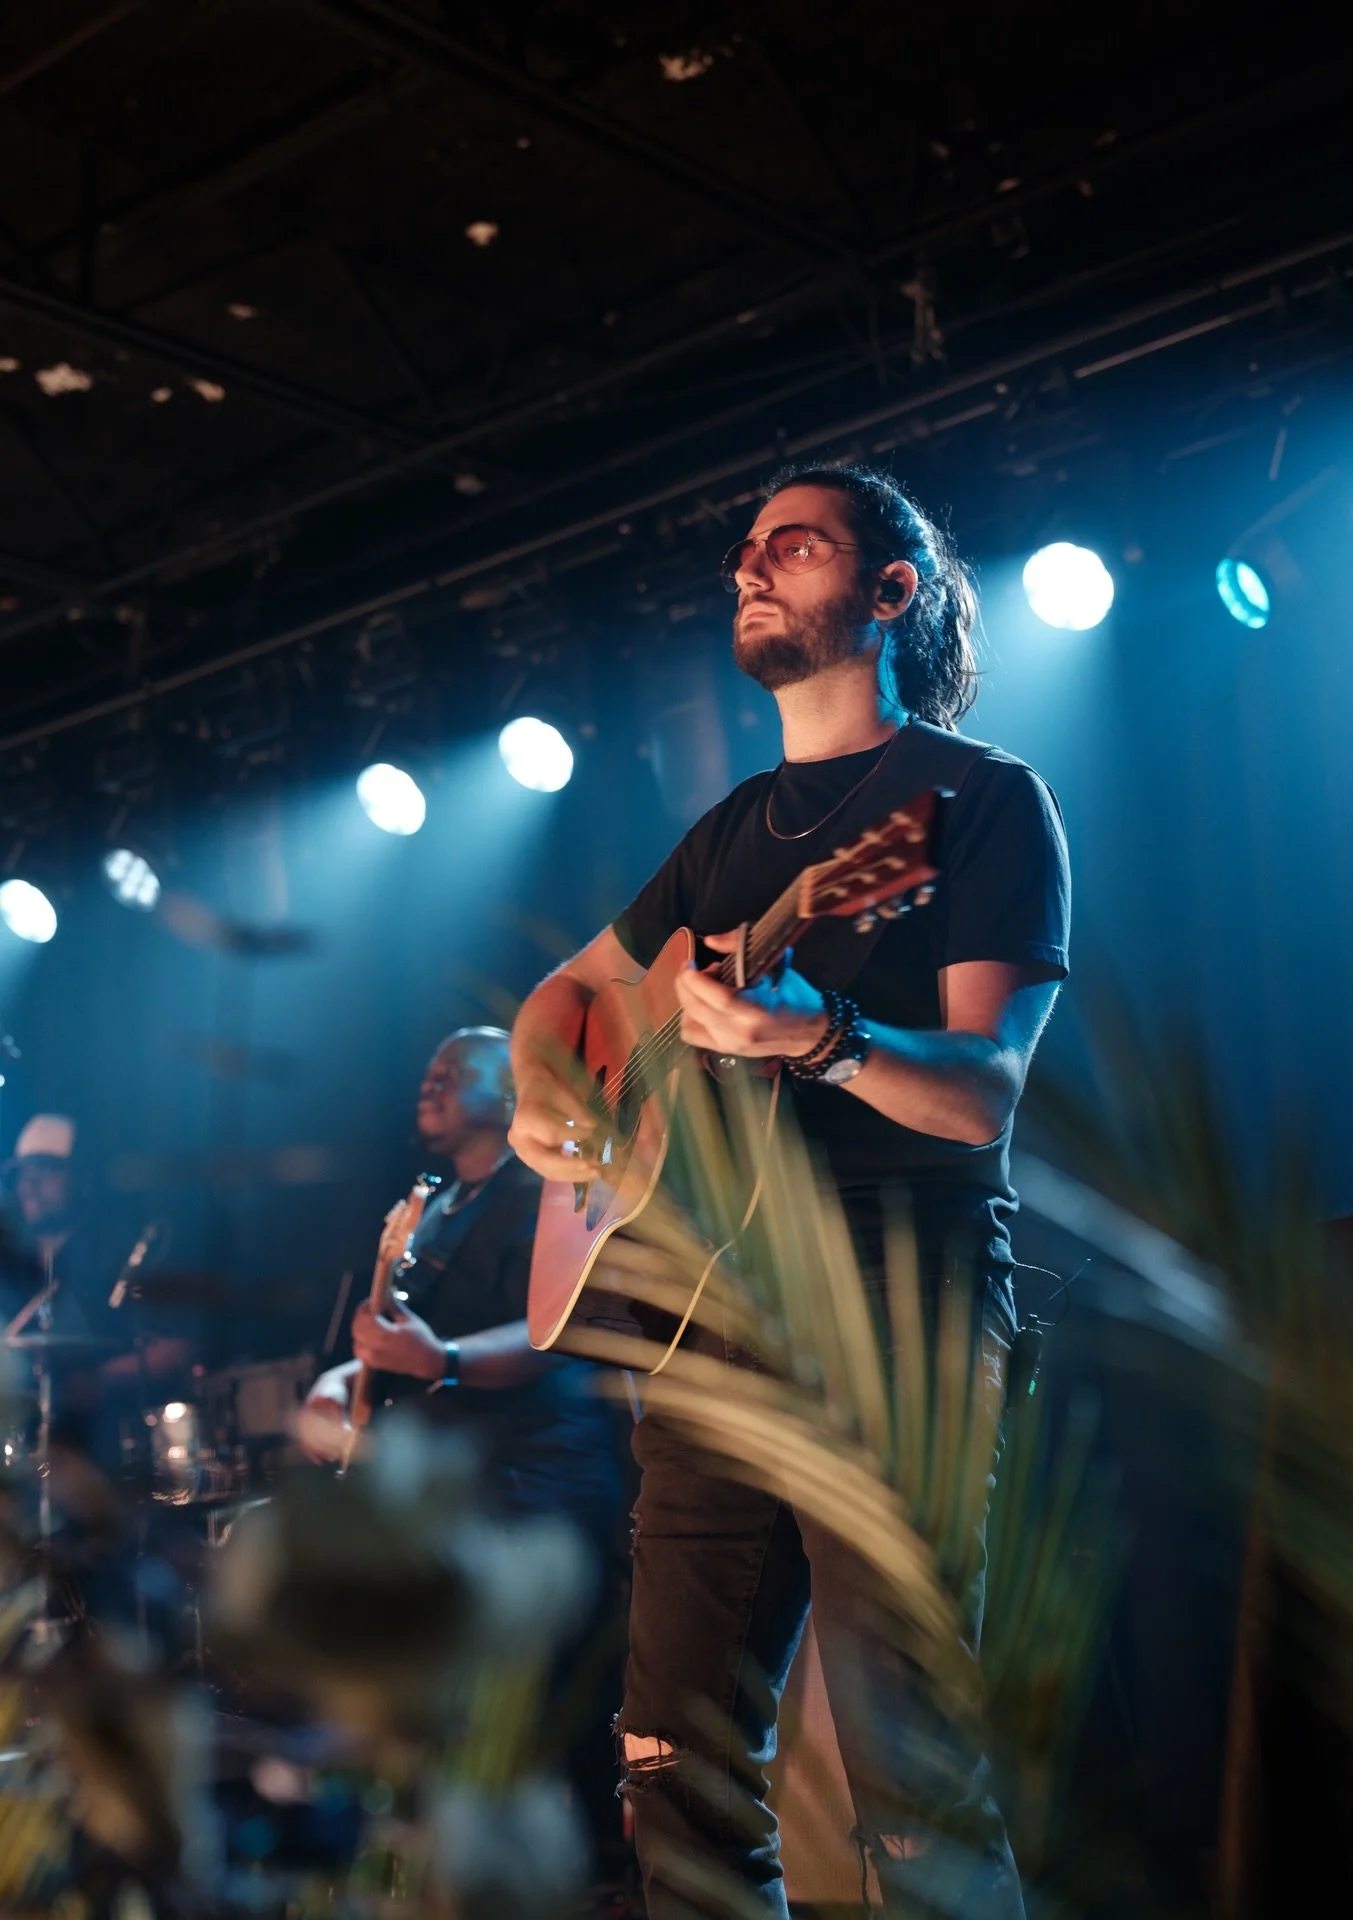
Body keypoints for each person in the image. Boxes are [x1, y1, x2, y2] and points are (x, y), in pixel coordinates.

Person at [508, 464, 1071, 1919]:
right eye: (746, 550)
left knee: (913, 1780)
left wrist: (815, 1034)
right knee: (668, 1767)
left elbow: (985, 1098)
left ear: (892, 591)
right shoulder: (728, 834)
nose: (751, 569)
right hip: (715, 1331)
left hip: (902, 1318)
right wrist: (547, 1106)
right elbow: (568, 997)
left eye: (796, 546)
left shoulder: (977, 801)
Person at [299, 1027, 628, 1855]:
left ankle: (603, 1882)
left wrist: (442, 1361)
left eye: (454, 1070)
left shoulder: (548, 1185)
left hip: (540, 1476)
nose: (430, 1080)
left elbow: (558, 1328)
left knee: (560, 1709)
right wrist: (338, 1383)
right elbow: (396, 1342)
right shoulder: (429, 1209)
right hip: (458, 1488)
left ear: (515, 1093)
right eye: (427, 1071)